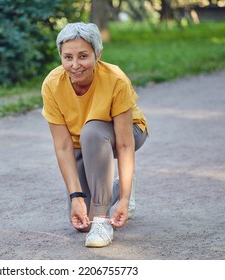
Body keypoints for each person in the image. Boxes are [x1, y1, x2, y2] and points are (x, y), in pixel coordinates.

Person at [41, 22, 148, 247]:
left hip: (128, 133)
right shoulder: (52, 84)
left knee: (93, 131)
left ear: (98, 54)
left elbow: (126, 146)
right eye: (67, 57)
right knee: (82, 223)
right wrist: (75, 197)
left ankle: (102, 221)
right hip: (81, 142)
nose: (75, 65)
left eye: (83, 56)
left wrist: (126, 200)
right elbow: (62, 146)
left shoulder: (115, 79)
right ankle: (113, 191)